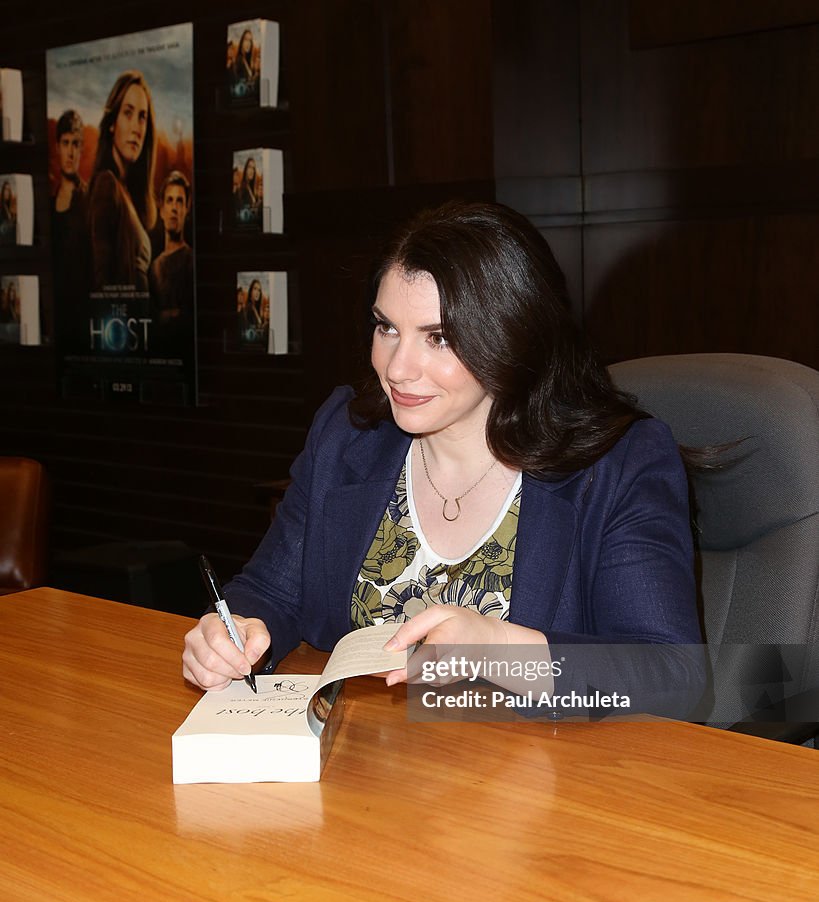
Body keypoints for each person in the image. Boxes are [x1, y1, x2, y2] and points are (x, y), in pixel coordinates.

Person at [183, 201, 705, 717]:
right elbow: (269, 589)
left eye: (439, 338)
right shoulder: (347, 435)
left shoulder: (619, 462)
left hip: (533, 783)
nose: (398, 368)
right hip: (360, 770)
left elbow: (672, 678)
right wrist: (236, 632)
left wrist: (500, 650)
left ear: (512, 335)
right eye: (387, 328)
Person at [88, 71, 157, 294]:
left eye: (142, 117)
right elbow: (101, 281)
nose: (137, 128)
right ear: (111, 124)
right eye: (128, 113)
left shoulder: (125, 190)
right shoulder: (106, 185)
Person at [51, 110, 89, 344]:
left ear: (82, 149)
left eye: (76, 144)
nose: (71, 152)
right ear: (57, 147)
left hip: (83, 312)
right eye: (66, 143)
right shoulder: (49, 201)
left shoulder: (88, 198)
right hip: (58, 311)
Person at [149, 170, 193, 350]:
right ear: (161, 210)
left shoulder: (191, 260)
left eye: (179, 201)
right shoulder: (154, 267)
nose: (174, 208)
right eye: (169, 200)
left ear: (186, 209)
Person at [234, 155, 261, 227]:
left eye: (253, 168)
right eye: (249, 167)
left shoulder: (254, 190)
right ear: (245, 169)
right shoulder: (240, 189)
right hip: (244, 228)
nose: (251, 170)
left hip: (254, 227)